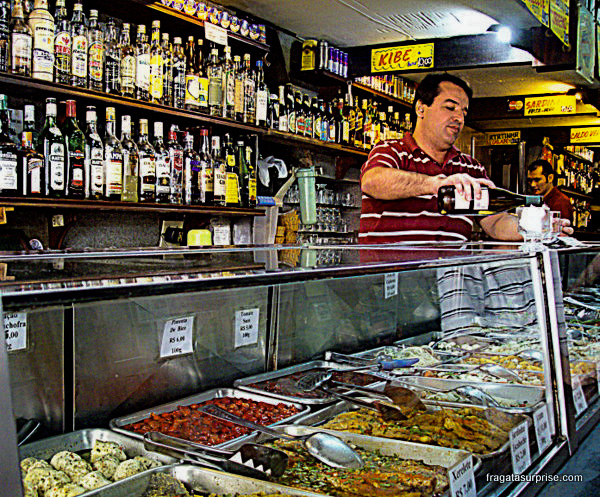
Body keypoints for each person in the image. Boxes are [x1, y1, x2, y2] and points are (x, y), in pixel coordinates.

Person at [359, 73, 574, 243]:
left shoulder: (471, 168)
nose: (459, 118)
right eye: (450, 107)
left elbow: (496, 222)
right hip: (388, 284)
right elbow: (373, 181)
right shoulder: (391, 150)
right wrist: (437, 184)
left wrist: (538, 227)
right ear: (421, 108)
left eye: (464, 111)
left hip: (450, 284)